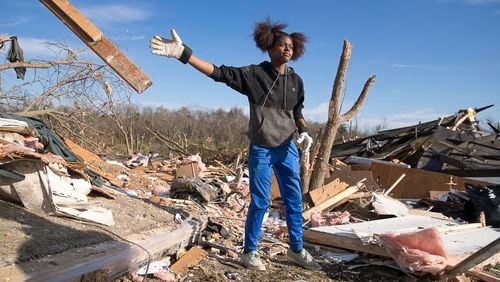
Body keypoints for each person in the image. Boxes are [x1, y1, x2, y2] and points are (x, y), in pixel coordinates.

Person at [150, 18, 320, 271]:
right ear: (269, 47)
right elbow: (219, 73)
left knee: (294, 201)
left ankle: (296, 250)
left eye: (291, 46)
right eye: (282, 45)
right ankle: (249, 252)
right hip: (262, 148)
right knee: (260, 202)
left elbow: (298, 111)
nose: (287, 49)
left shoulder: (296, 81)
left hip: (287, 149)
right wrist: (183, 54)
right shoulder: (255, 75)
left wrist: (304, 130)